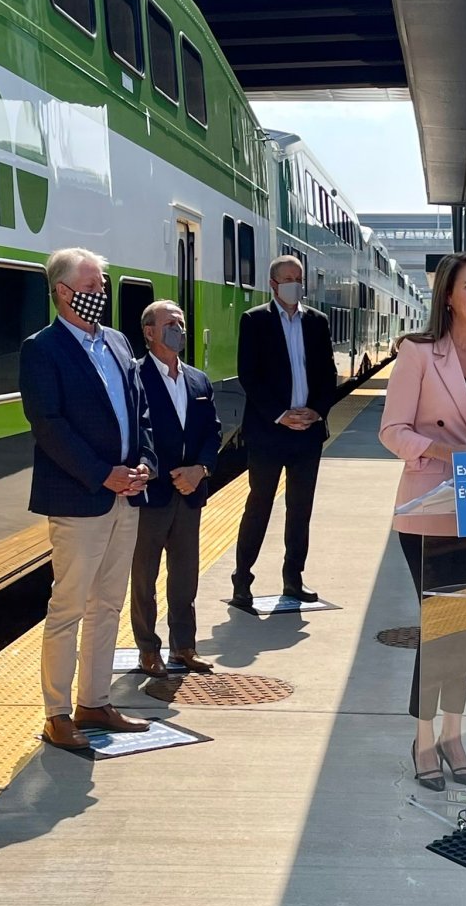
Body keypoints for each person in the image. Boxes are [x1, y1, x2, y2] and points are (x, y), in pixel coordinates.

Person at [379, 252, 466, 790]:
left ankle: (455, 735)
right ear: (448, 296)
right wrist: (442, 450)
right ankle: (423, 738)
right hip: (427, 505)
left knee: (461, 630)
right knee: (439, 628)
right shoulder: (417, 353)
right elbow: (393, 430)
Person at [19, 247, 156, 751]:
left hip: (126, 497)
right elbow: (48, 427)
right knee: (68, 607)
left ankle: (94, 701)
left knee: (108, 605)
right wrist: (104, 476)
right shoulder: (42, 349)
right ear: (62, 291)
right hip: (81, 500)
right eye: (92, 286)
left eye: (103, 284)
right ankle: (57, 714)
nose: (101, 293)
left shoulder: (118, 343)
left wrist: (145, 463)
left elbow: (141, 413)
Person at [231, 255, 337, 611]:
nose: (296, 284)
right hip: (268, 432)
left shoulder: (317, 322)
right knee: (258, 505)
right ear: (273, 285)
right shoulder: (254, 320)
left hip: (307, 432)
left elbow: (327, 373)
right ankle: (242, 580)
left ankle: (294, 577)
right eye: (288, 279)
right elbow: (250, 375)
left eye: (299, 278)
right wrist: (280, 415)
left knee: (300, 508)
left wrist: (316, 411)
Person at [130, 300, 222, 676]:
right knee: (144, 577)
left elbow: (212, 432)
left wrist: (200, 470)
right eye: (170, 323)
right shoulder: (132, 376)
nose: (178, 329)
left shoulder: (198, 380)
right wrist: (161, 471)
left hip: (190, 493)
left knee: (185, 574)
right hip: (152, 495)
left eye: (181, 323)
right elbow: (135, 431)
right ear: (149, 332)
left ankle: (184, 646)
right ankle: (147, 648)